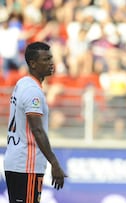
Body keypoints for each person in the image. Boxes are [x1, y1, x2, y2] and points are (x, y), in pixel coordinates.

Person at [4, 42, 67, 203]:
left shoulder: (23, 83)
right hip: (27, 164)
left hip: (16, 162)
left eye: (51, 58)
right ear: (32, 63)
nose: (51, 63)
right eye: (45, 59)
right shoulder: (33, 91)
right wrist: (54, 163)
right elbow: (37, 130)